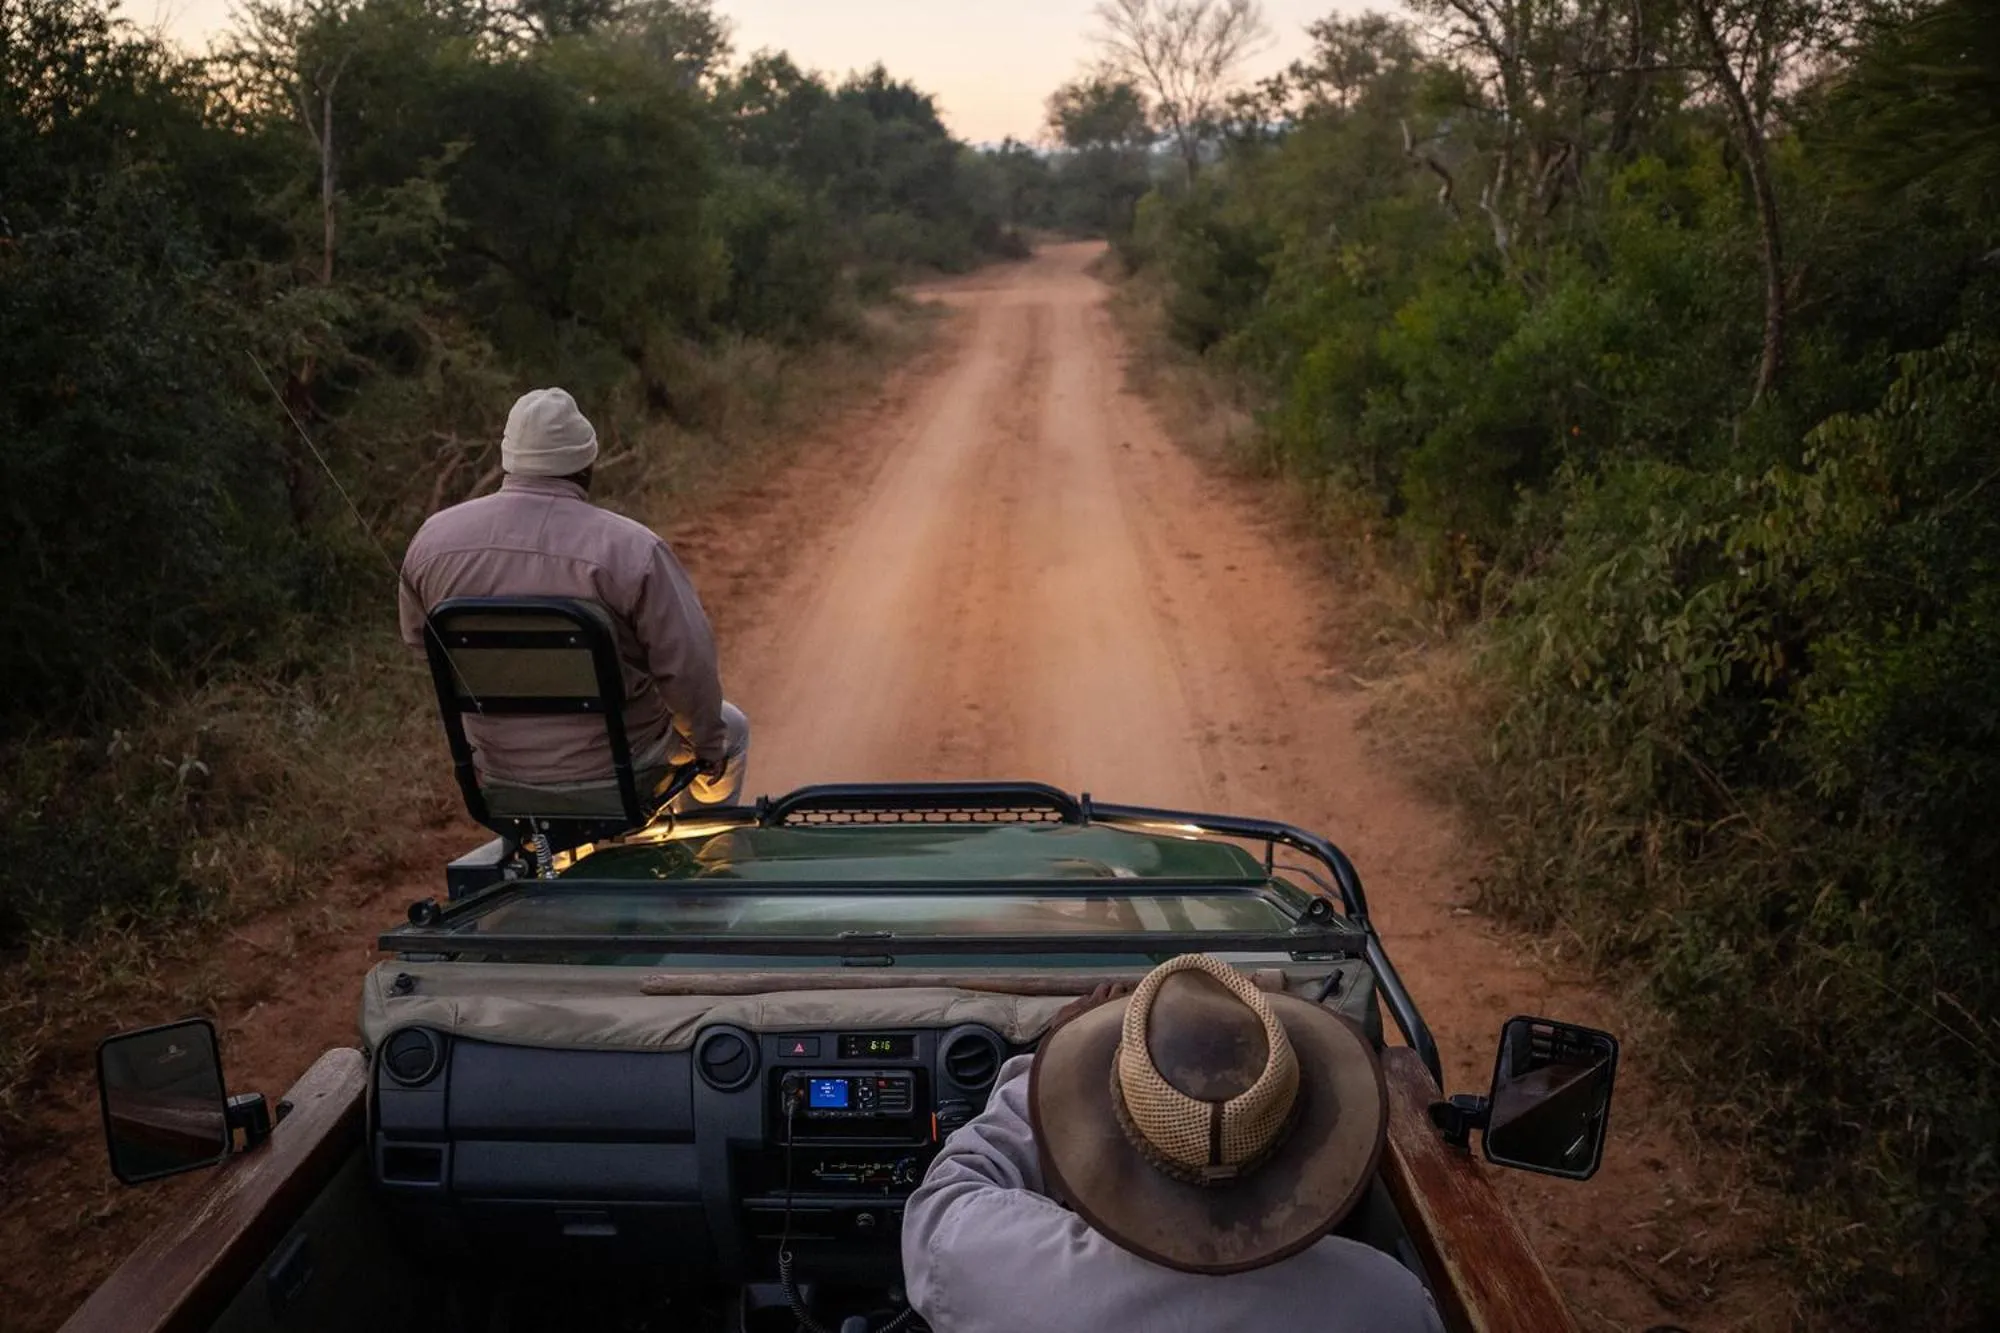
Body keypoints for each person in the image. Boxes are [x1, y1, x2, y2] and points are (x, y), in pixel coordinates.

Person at [903, 953, 1446, 1333]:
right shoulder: (1387, 1303)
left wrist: (1040, 1070)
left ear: (1099, 1124)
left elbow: (947, 1196)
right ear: (1303, 1137)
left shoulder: (990, 1263)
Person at [399, 387, 748, 809]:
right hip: (623, 769)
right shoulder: (632, 549)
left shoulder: (433, 542)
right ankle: (705, 855)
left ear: (508, 459)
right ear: (587, 465)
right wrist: (708, 748)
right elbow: (688, 668)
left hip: (497, 775)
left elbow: (426, 649)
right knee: (732, 729)